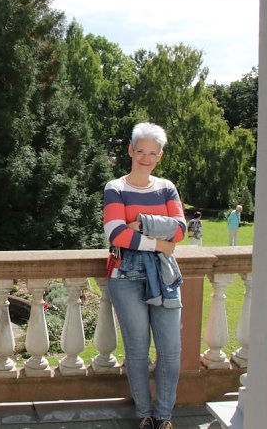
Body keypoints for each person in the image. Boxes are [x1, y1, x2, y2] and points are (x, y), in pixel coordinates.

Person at [103, 123, 186, 429]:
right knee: (137, 350)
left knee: (170, 350)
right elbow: (115, 234)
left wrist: (138, 224)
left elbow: (181, 229)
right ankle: (144, 415)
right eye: (141, 151)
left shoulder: (167, 188)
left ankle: (165, 416)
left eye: (152, 153)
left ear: (160, 156)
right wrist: (159, 242)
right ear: (131, 151)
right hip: (123, 274)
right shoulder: (116, 187)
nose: (146, 158)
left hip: (164, 276)